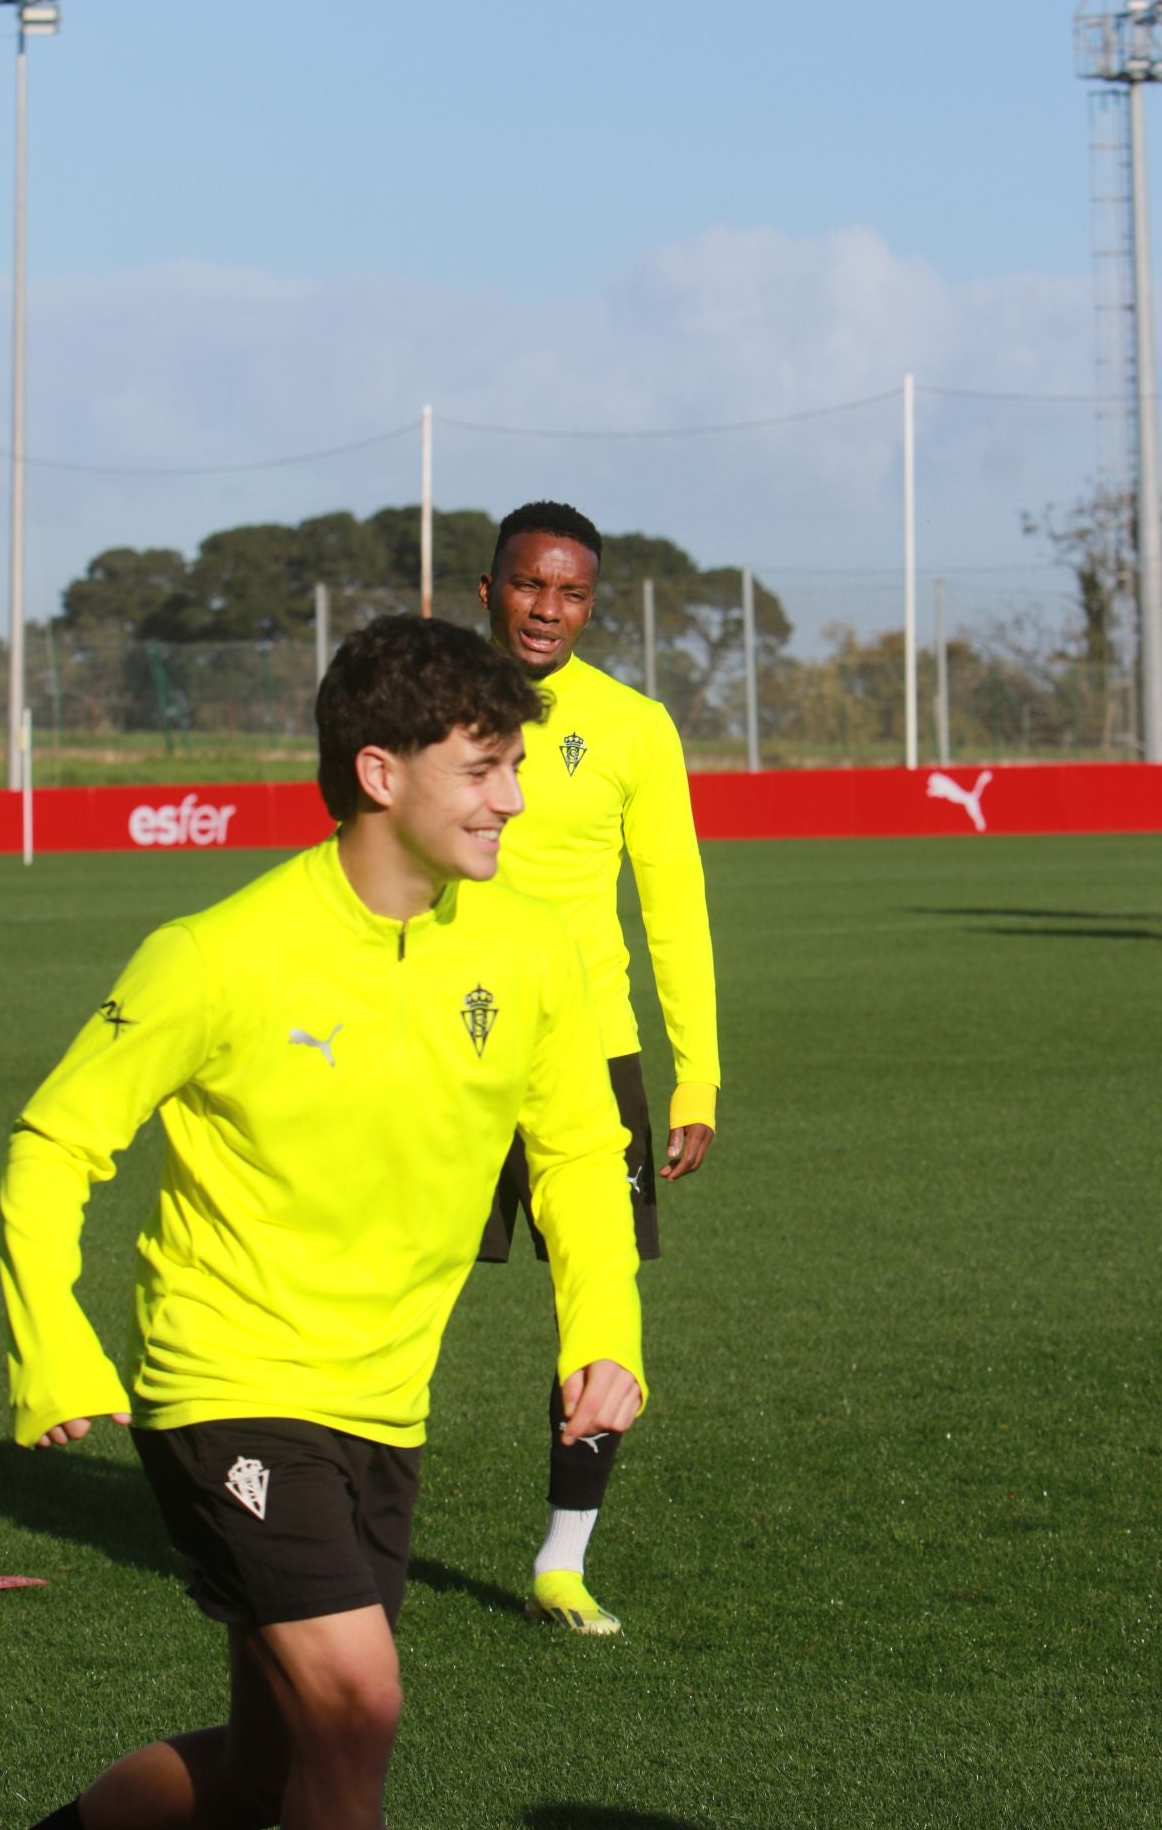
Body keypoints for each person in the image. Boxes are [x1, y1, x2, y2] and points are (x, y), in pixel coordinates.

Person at [0, 614, 645, 1830]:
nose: (513, 799)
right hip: (226, 1378)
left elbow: (574, 1155)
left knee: (269, 1769)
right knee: (355, 1706)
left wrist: (602, 1329)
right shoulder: (216, 956)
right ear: (378, 771)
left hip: (384, 1402)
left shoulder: (532, 948)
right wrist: (51, 1344)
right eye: (482, 767)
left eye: (513, 764)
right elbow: (54, 1144)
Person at [477, 499, 719, 1636]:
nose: (548, 610)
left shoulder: (632, 725)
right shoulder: (429, 703)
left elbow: (673, 909)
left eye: (571, 592)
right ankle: (341, 1534)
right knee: (395, 1288)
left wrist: (695, 1078)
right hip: (447, 1044)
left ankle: (561, 1562)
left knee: (599, 1303)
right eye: (530, 586)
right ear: (489, 590)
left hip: (589, 1057)